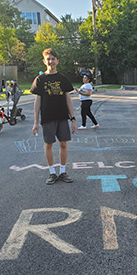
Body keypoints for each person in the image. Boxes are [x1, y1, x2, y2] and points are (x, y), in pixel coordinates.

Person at [31, 48, 77, 185]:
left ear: (57, 61)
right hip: (48, 118)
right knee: (48, 144)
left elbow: (68, 99)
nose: (51, 61)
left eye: (53, 59)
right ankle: (52, 173)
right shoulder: (40, 79)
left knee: (63, 144)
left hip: (62, 117)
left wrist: (73, 118)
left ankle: (62, 172)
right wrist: (35, 122)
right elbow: (37, 101)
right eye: (48, 59)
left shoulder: (63, 79)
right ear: (44, 61)